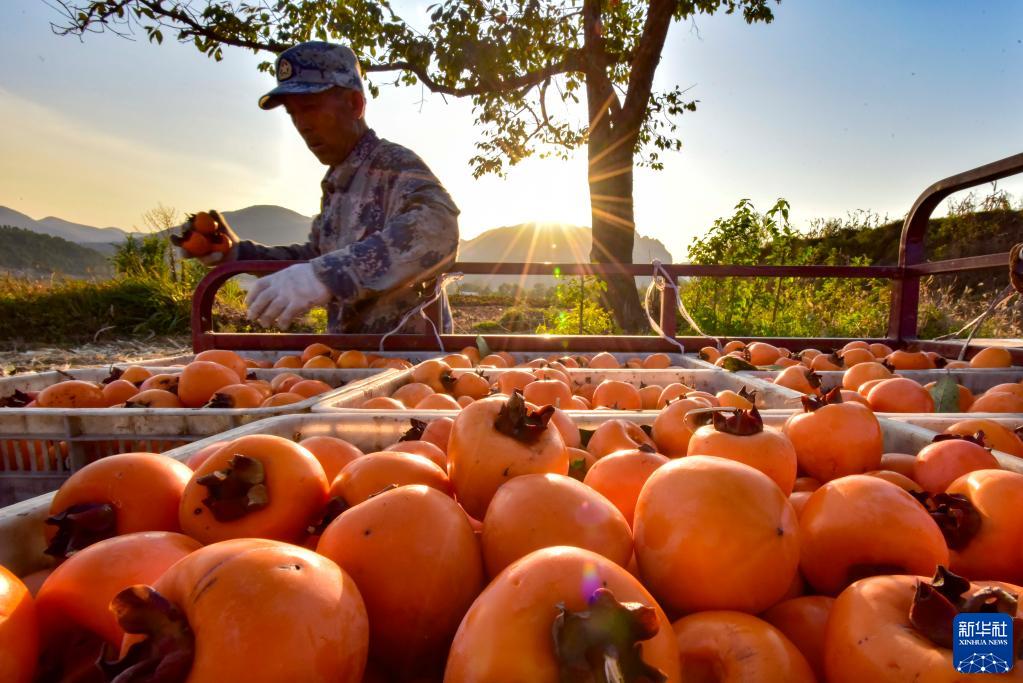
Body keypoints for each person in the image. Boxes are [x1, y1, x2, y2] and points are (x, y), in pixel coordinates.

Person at [184, 41, 460, 333]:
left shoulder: (393, 165)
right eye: (293, 113)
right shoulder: (339, 183)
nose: (302, 124)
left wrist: (329, 275)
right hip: (352, 360)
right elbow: (316, 258)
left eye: (311, 108)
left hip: (410, 363)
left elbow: (438, 229)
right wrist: (239, 254)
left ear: (354, 104)